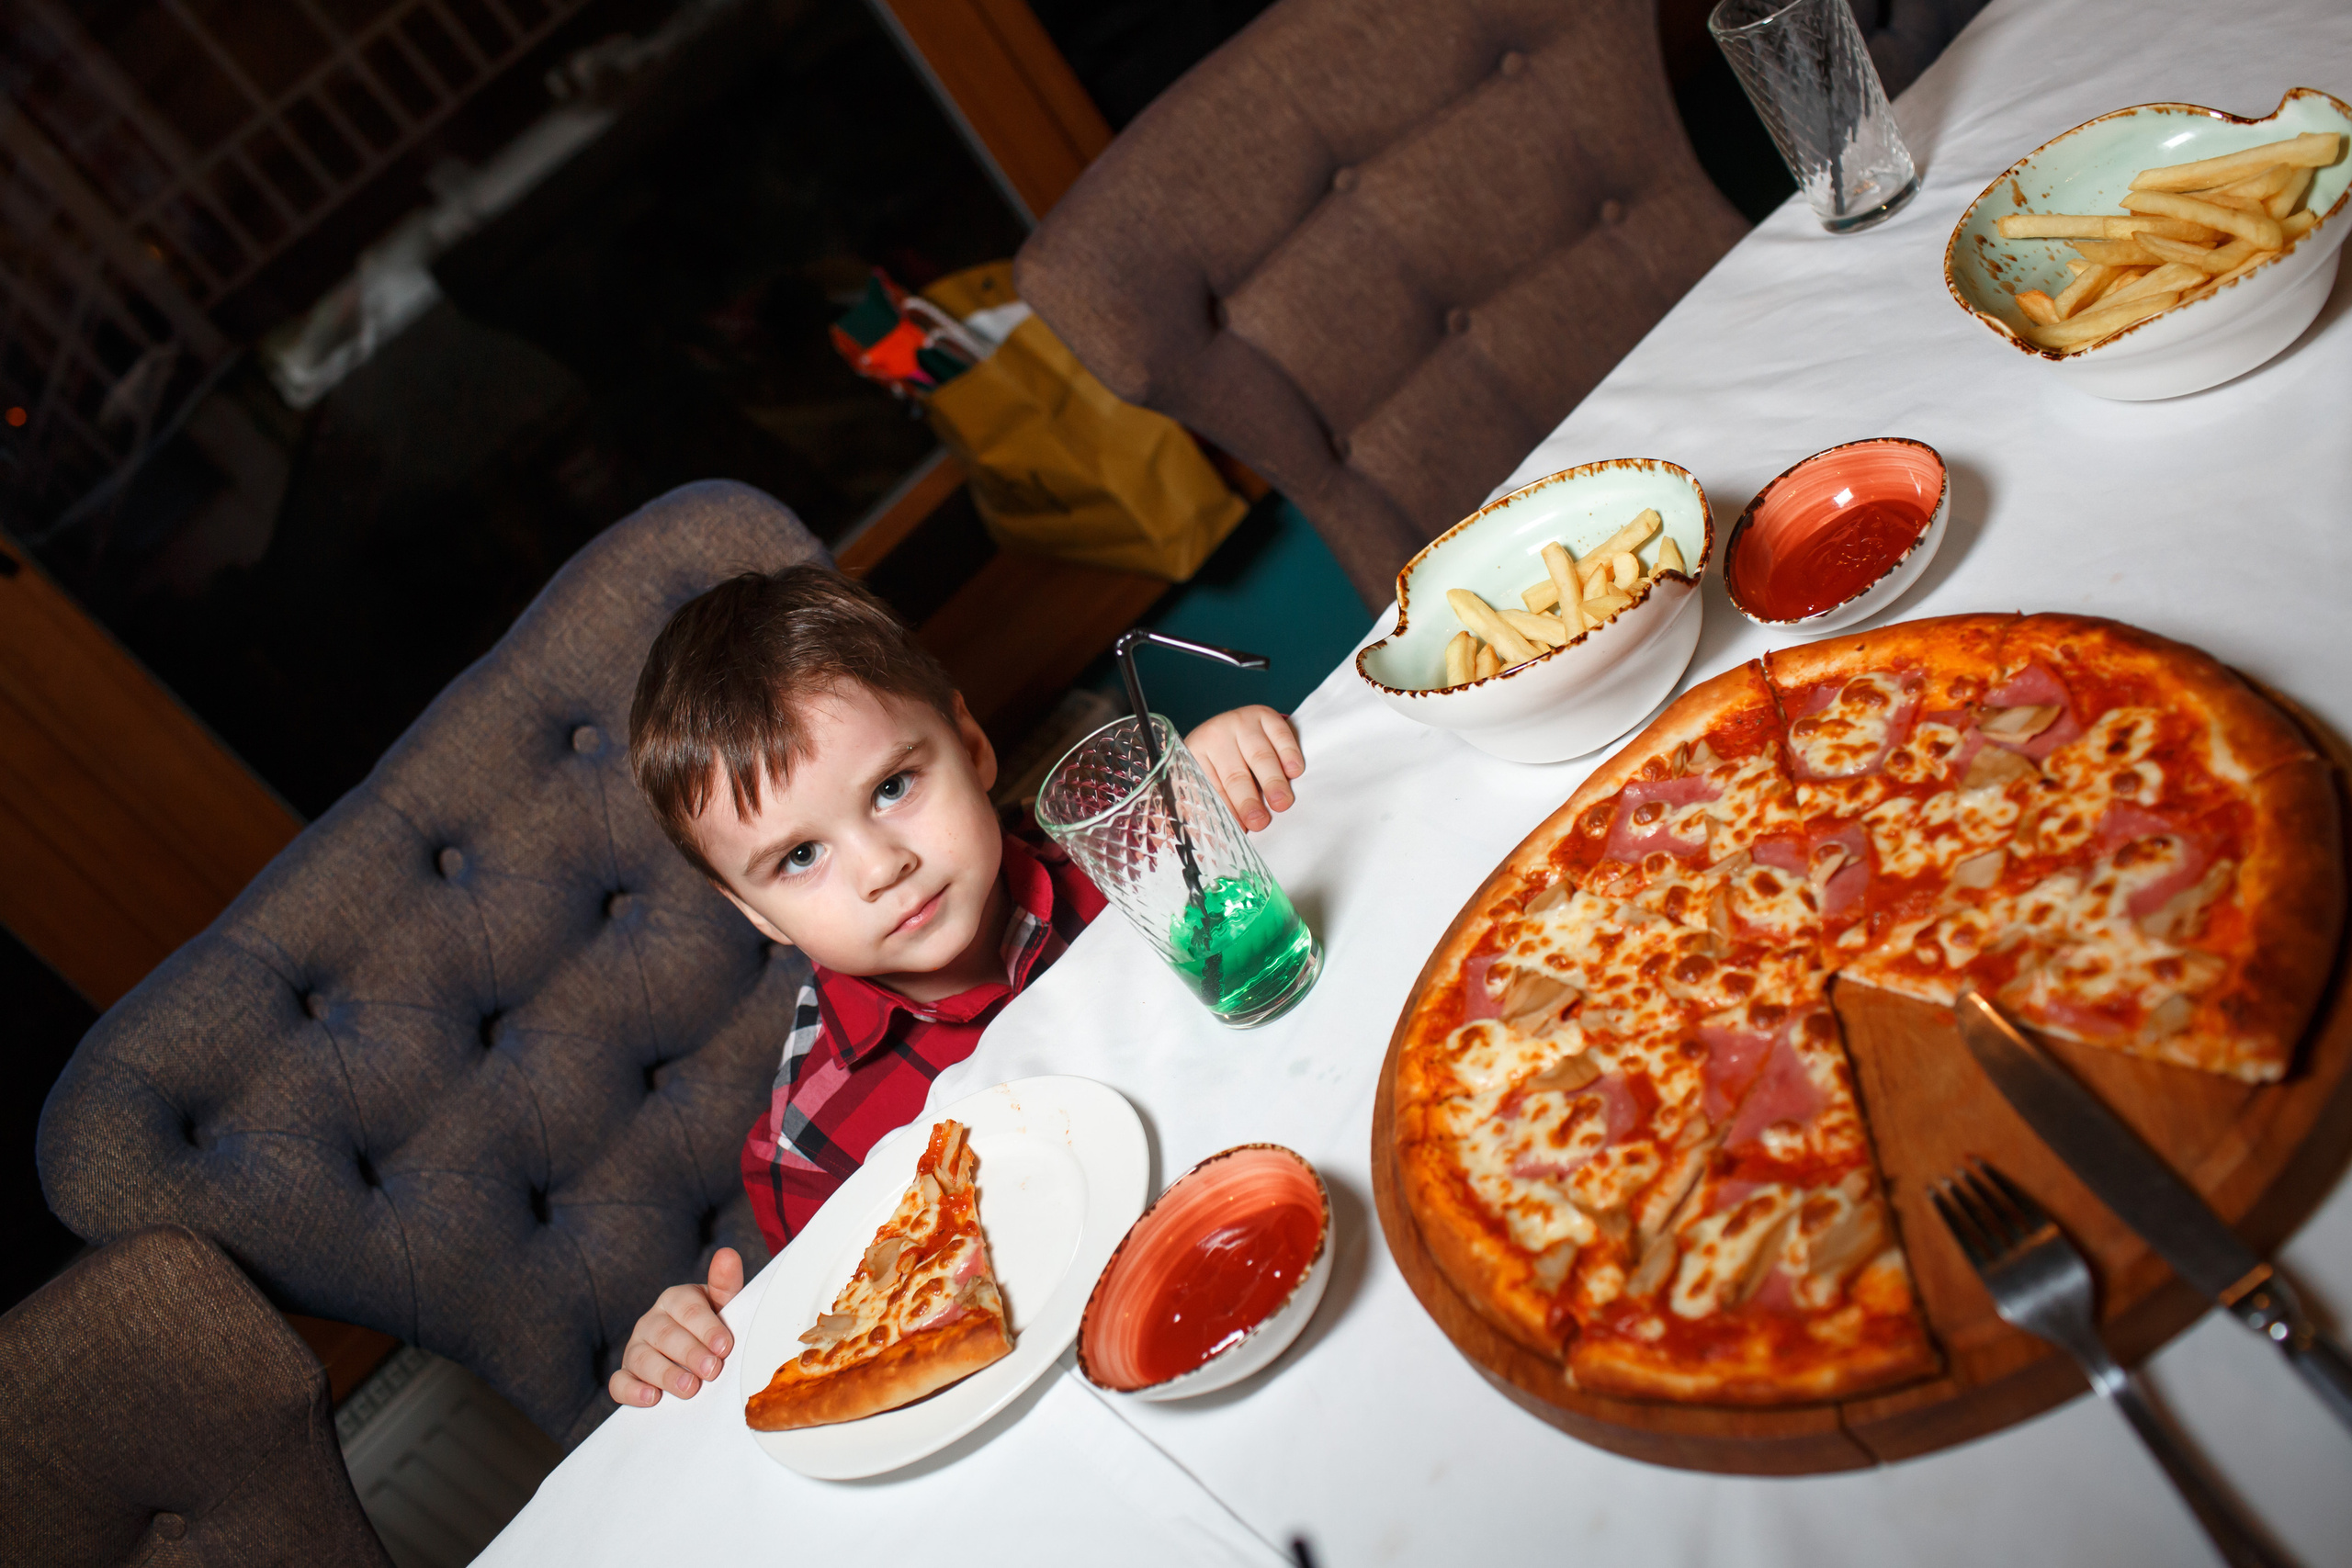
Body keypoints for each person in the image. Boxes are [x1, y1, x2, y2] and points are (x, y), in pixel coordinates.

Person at [605, 564, 1305, 1409]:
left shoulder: (1133, 852)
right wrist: (706, 1338)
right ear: (756, 912)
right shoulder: (809, 1144)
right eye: (799, 857)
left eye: (893, 788)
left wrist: (1226, 790)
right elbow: (863, 1340)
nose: (881, 866)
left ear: (970, 745)